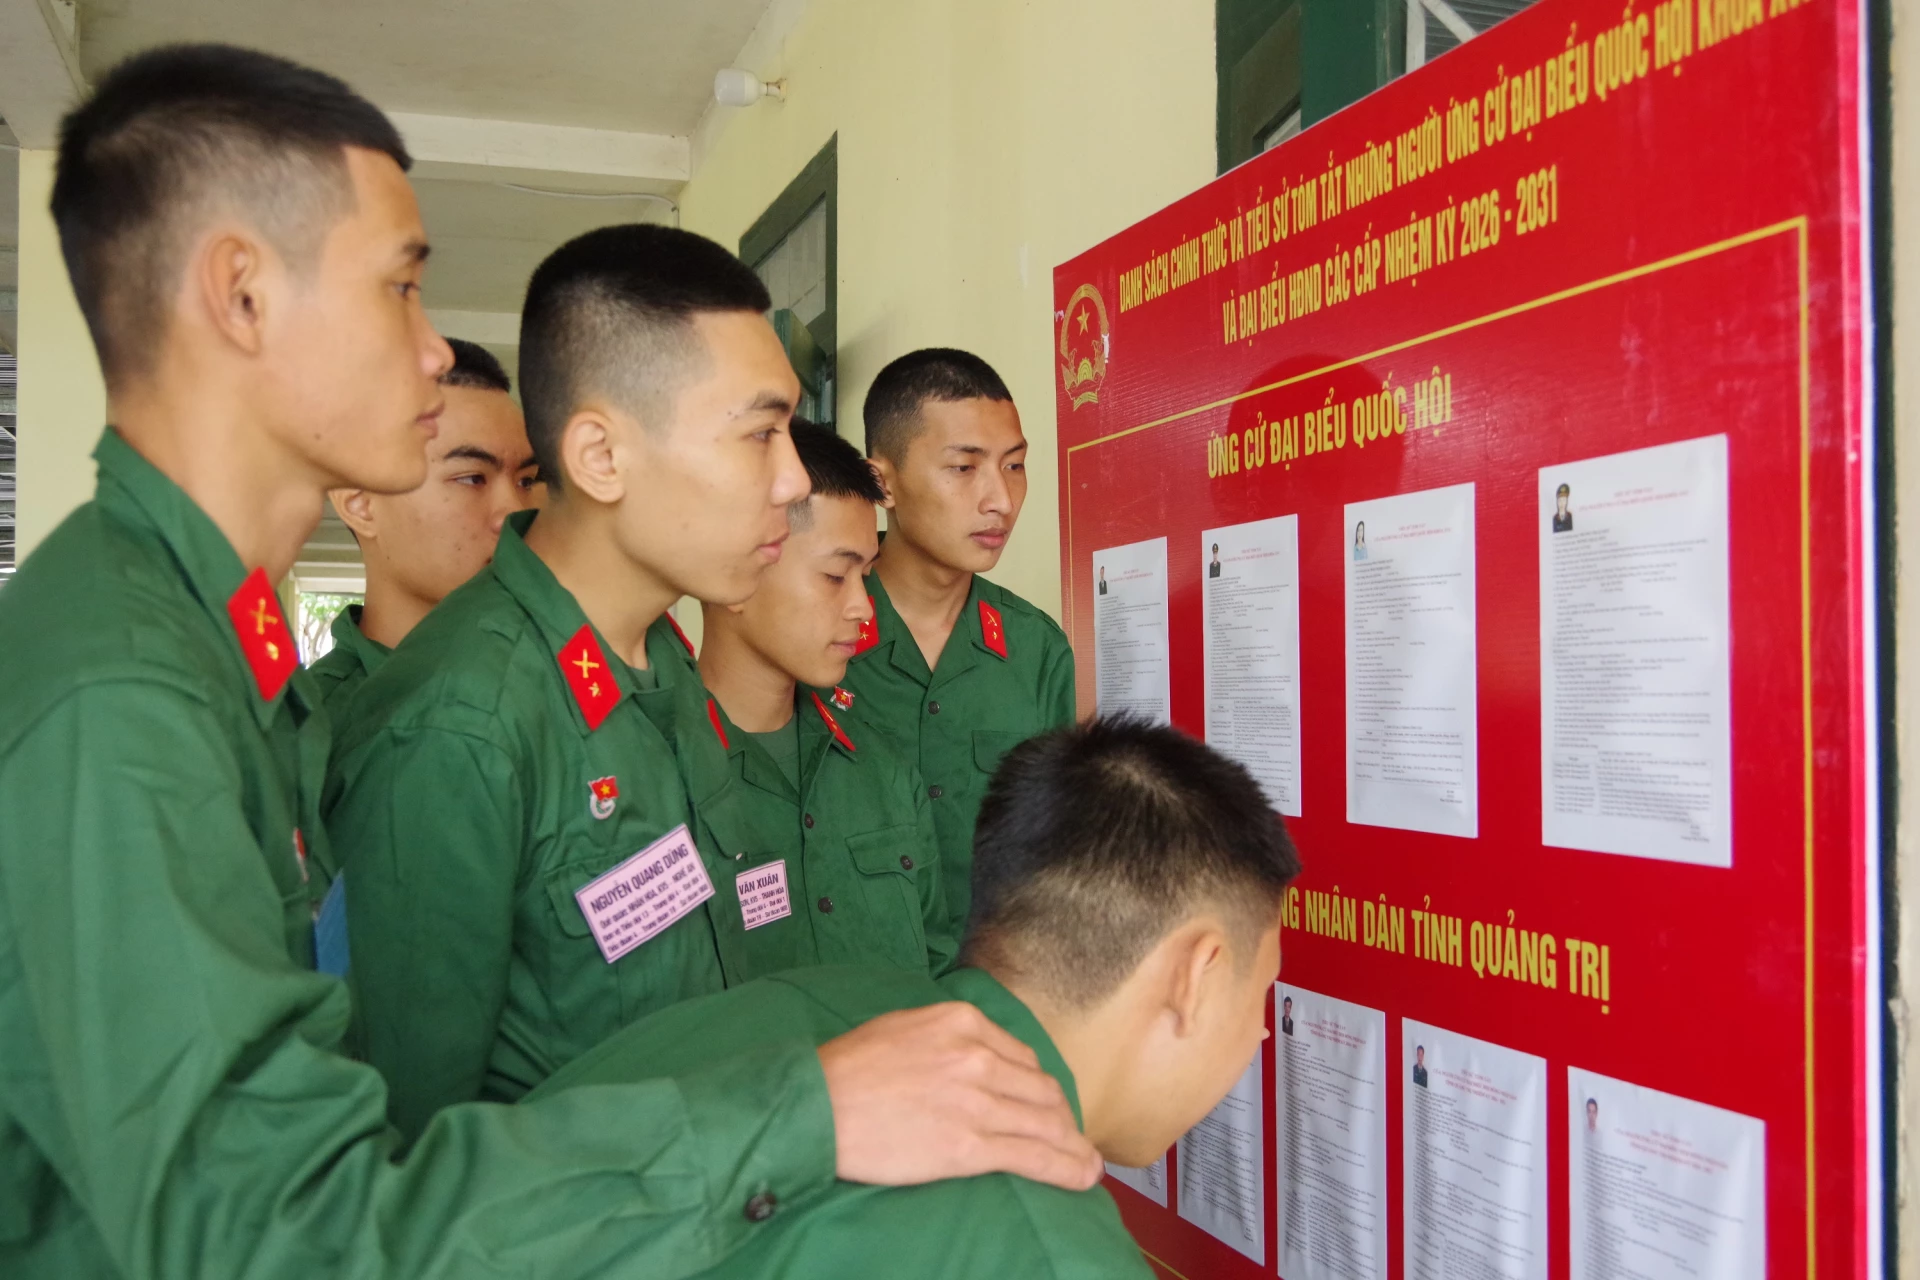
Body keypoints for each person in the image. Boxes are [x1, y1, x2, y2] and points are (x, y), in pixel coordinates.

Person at [0, 47, 1101, 1279]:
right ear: (242, 294)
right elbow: (293, 1212)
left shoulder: (263, 656)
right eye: (400, 287)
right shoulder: (139, 690)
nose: (436, 351)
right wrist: (803, 1113)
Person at [531, 716, 1303, 1279]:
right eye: (1260, 992)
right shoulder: (1052, 1253)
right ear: (1196, 975)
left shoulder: (803, 1000)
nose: (1262, 1034)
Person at [685, 418, 953, 981]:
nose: (863, 608)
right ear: (736, 571)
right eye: (835, 576)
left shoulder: (883, 773)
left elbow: (937, 971)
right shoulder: (660, 778)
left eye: (866, 576)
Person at [846, 348, 1077, 942]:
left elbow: (1059, 853)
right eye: (964, 467)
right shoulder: (817, 634)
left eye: (1015, 465)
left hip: (994, 985)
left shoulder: (1035, 650)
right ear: (882, 482)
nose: (1001, 499)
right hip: (852, 988)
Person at [308, 337, 539, 722]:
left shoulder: (563, 690)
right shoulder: (319, 729)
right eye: (472, 478)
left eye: (526, 481)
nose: (515, 513)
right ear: (359, 503)